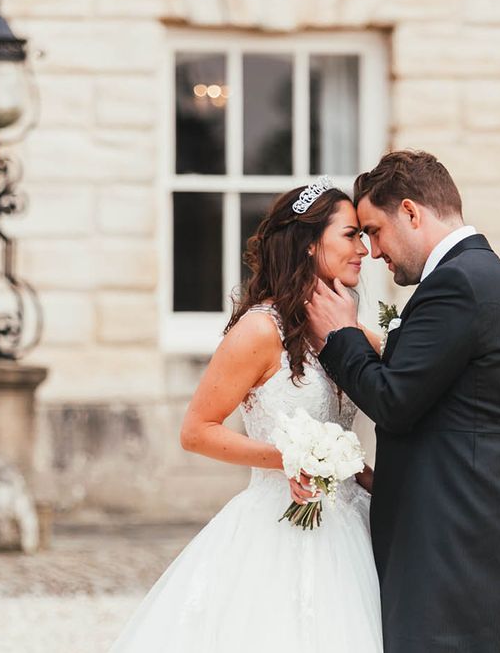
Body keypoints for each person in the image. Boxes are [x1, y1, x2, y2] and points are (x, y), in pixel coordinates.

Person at [108, 178, 383, 652]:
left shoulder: (354, 334)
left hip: (352, 526)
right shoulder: (259, 330)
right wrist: (288, 459)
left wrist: (376, 480)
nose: (365, 248)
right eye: (351, 235)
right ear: (310, 243)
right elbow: (196, 431)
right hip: (278, 526)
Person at [306, 150, 500, 653]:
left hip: (455, 535)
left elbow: (394, 400)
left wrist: (342, 336)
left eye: (373, 230)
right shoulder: (485, 273)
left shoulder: (456, 284)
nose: (372, 251)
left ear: (412, 213)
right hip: (484, 519)